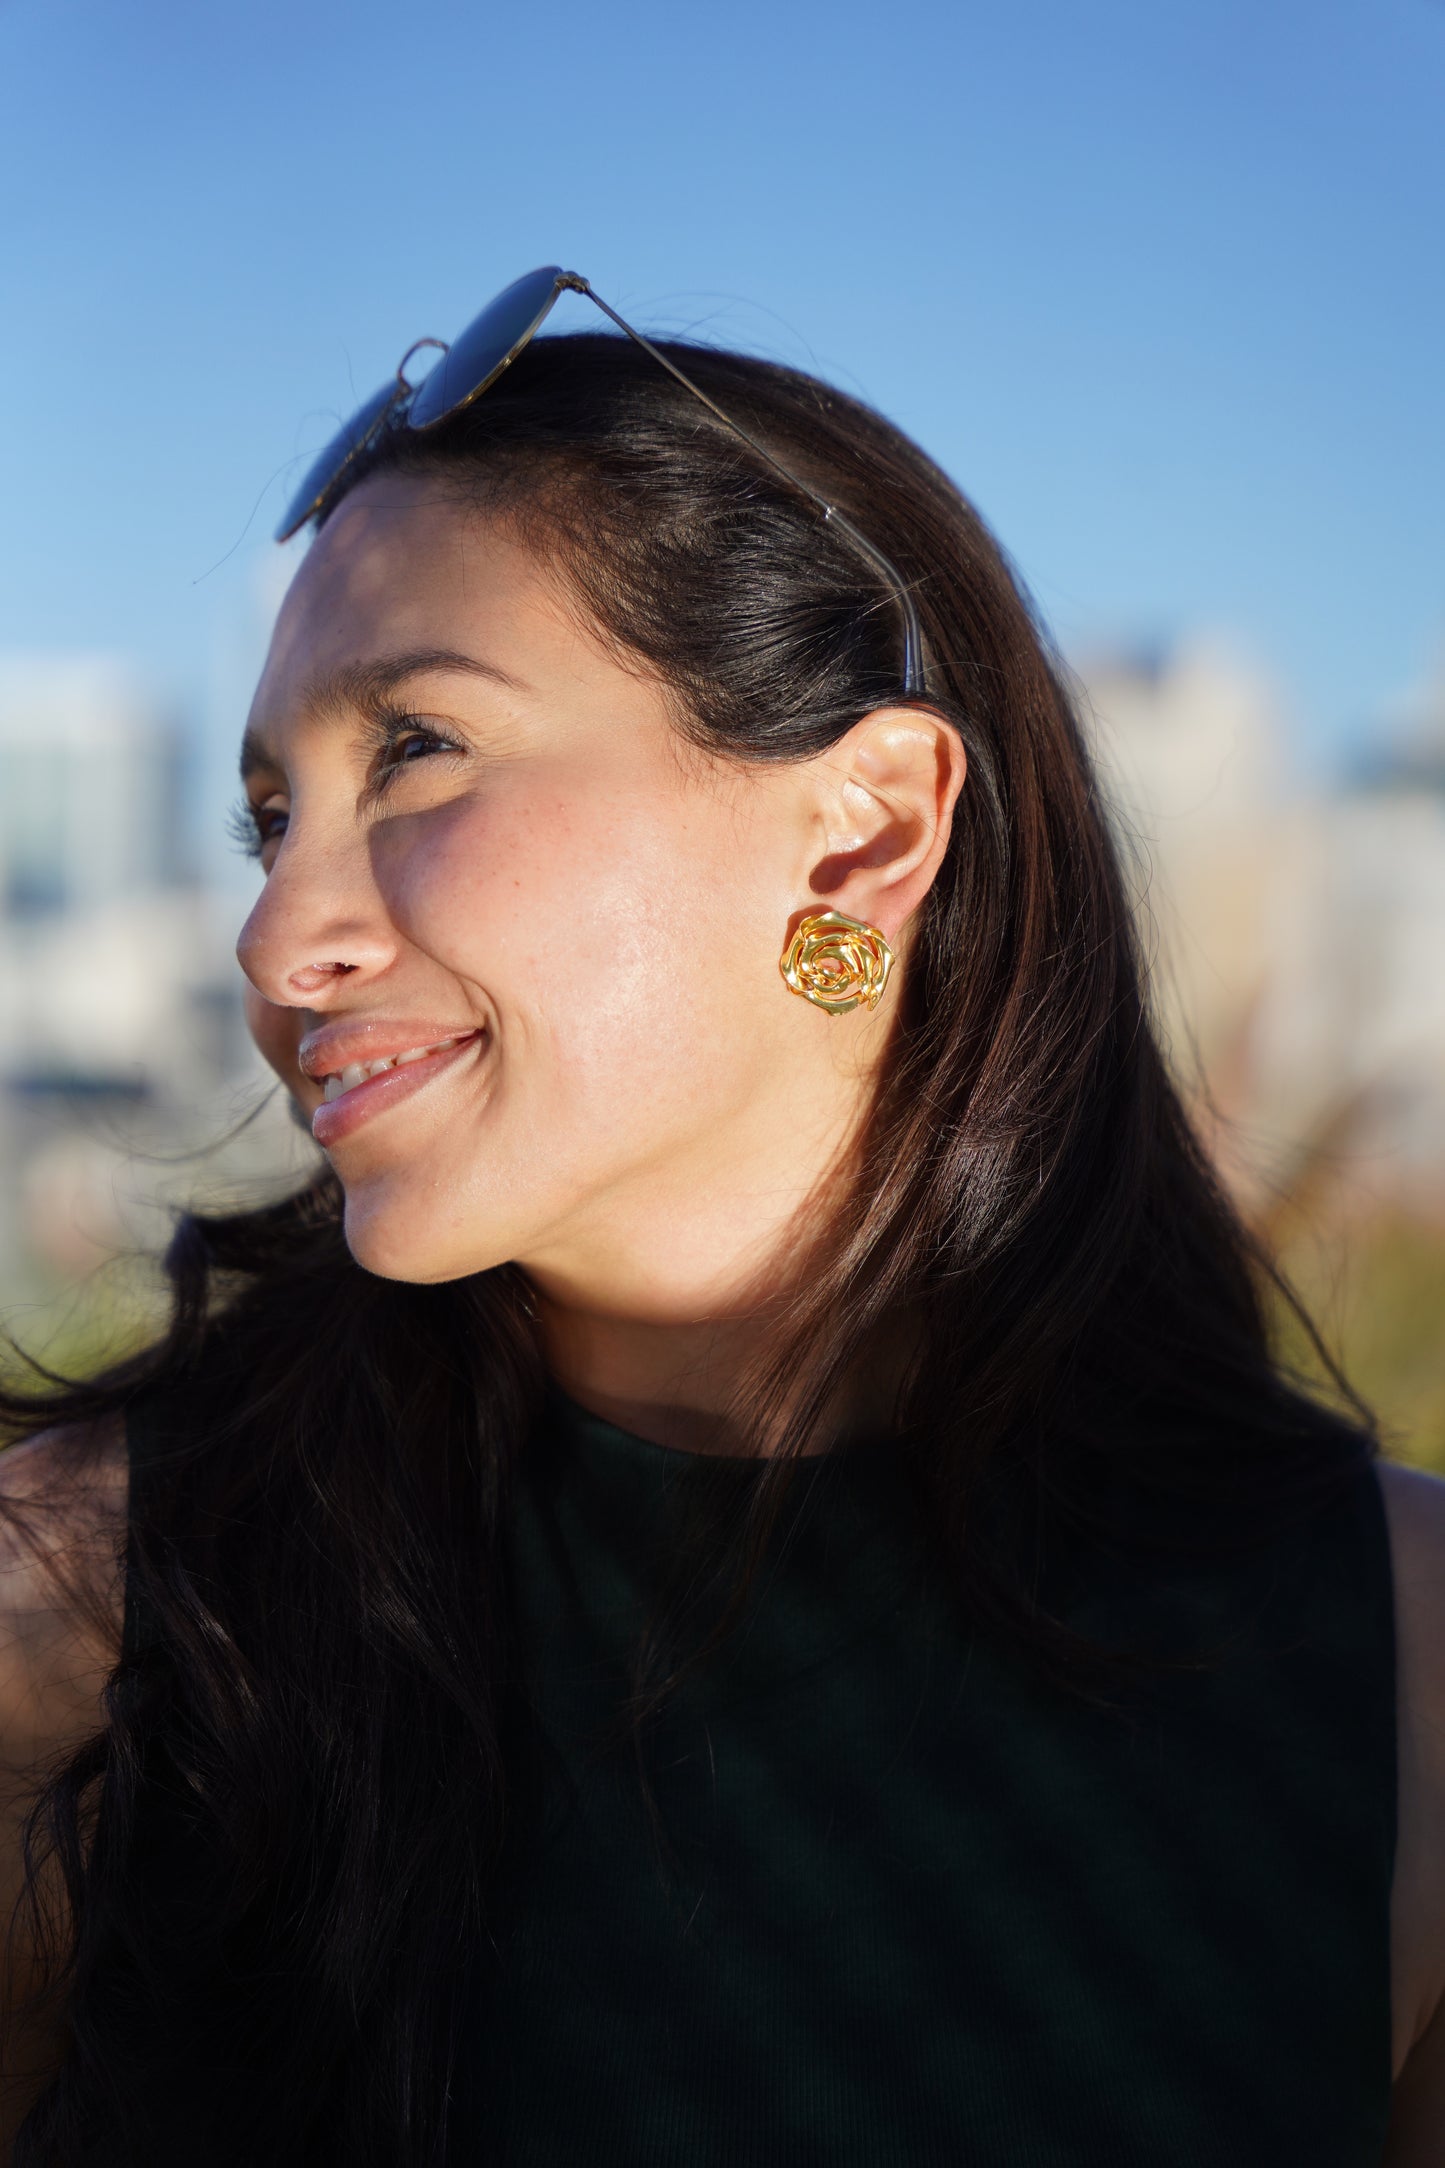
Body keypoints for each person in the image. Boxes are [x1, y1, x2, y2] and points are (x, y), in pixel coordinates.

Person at [0, 277, 1441, 2167]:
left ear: (858, 836)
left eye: (418, 748)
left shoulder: (1398, 1655)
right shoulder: (99, 1599)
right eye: (272, 821)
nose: (278, 940)